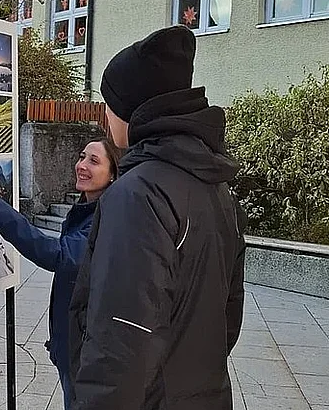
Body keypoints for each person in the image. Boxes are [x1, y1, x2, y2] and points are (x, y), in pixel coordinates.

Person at [67, 25, 248, 409]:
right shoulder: (216, 189)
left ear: (132, 107)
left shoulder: (137, 195)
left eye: (109, 103)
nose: (106, 114)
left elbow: (118, 345)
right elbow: (227, 317)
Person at [0, 137, 121, 410]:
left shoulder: (105, 218)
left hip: (85, 353)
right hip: (74, 346)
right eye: (81, 156)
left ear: (113, 175)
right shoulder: (87, 210)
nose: (81, 165)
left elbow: (55, 254)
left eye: (93, 161)